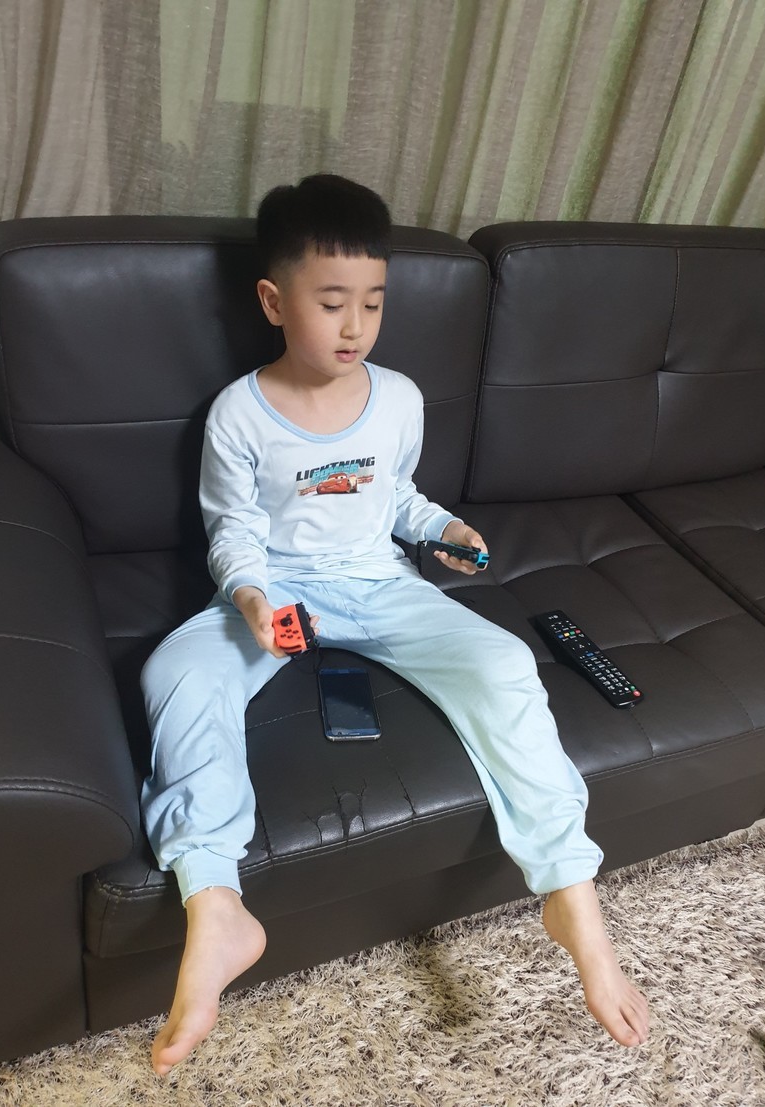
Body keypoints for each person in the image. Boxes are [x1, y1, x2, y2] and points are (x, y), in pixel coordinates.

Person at [140, 173, 649, 1076]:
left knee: (504, 663)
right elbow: (233, 531)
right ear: (274, 302)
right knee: (176, 673)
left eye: (373, 303)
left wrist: (445, 529)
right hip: (279, 592)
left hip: (378, 582)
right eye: (331, 302)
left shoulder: (401, 399)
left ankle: (569, 887)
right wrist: (251, 599)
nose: (355, 326)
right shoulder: (238, 415)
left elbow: (399, 497)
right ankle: (215, 899)